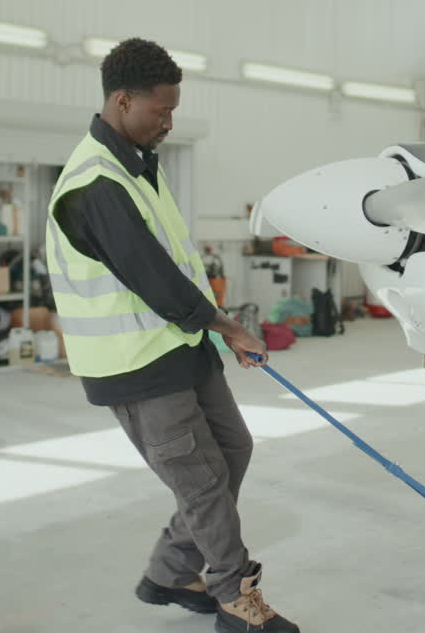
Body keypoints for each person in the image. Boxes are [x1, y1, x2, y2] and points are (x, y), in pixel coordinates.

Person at [46, 38, 300, 633]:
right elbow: (155, 279)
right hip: (135, 363)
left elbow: (173, 267)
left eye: (173, 110)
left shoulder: (137, 167)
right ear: (122, 99)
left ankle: (169, 571)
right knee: (203, 481)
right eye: (161, 110)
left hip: (180, 345)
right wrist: (232, 327)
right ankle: (236, 599)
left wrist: (214, 332)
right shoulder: (96, 182)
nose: (168, 121)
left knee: (232, 450)